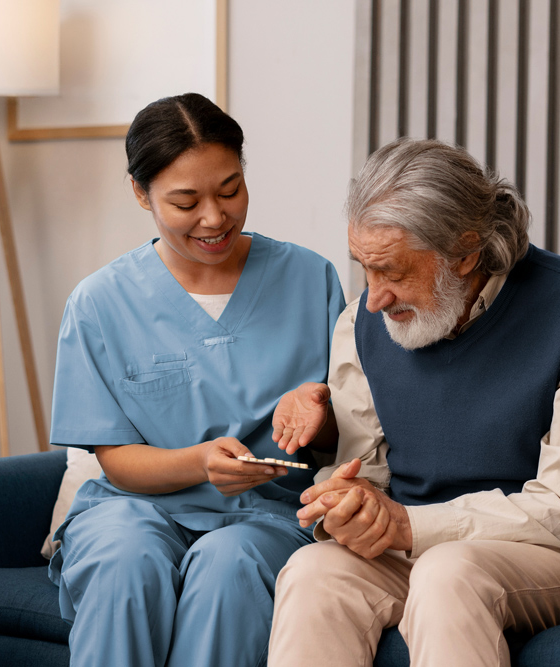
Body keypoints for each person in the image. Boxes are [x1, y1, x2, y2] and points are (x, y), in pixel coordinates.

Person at [267, 137, 560, 667]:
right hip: (418, 544)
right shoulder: (362, 325)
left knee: (449, 572)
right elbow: (365, 474)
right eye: (364, 268)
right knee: (312, 572)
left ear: (465, 253)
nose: (373, 297)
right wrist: (347, 506)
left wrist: (411, 527)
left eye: (392, 272)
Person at [46, 93, 345, 667]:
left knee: (230, 565)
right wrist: (199, 463)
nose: (215, 218)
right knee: (123, 563)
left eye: (230, 190)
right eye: (186, 201)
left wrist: (318, 411)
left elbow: (346, 436)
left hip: (267, 513)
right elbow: (115, 457)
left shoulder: (310, 279)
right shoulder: (99, 303)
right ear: (141, 193)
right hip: (132, 507)